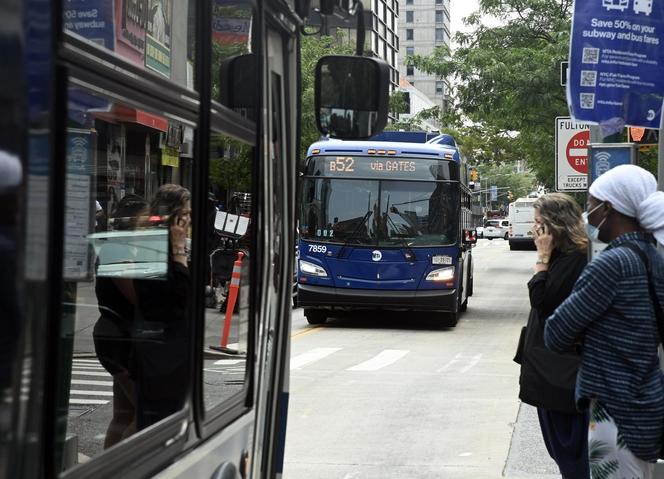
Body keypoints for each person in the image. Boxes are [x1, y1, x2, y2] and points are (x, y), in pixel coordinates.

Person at [544, 164, 664, 479]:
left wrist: (589, 332)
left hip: (614, 408)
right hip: (646, 401)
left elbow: (556, 332)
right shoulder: (653, 258)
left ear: (607, 209)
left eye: (590, 204)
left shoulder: (611, 264)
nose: (587, 213)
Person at [517, 193, 589, 479]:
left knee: (570, 451)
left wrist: (542, 258)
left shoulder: (574, 258)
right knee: (561, 451)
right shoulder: (566, 256)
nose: (534, 231)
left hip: (561, 374)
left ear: (554, 226)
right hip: (550, 371)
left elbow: (543, 300)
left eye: (538, 224)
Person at [133, 184, 191, 429]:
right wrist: (179, 251)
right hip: (161, 359)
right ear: (173, 215)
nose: (189, 219)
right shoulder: (154, 247)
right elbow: (180, 298)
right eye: (185, 214)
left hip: (170, 355)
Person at [92, 194, 148, 447]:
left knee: (124, 415)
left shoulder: (127, 248)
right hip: (119, 339)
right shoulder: (117, 250)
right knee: (149, 413)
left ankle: (105, 471)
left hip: (122, 337)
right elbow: (137, 296)